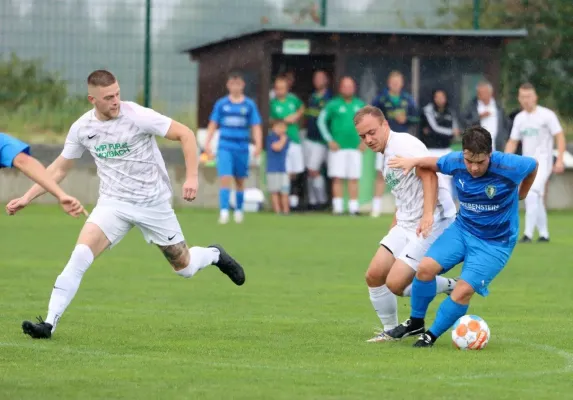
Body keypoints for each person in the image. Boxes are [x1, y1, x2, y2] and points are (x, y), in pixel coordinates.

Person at [7, 70, 246, 340]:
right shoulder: (82, 128)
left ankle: (214, 254)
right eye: (108, 97)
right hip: (113, 204)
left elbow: (186, 134)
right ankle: (48, 324)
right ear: (92, 100)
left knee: (185, 268)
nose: (116, 101)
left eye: (117, 94)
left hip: (153, 204)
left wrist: (192, 177)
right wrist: (27, 197)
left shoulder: (137, 116)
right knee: (79, 257)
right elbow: (60, 168)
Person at [386, 126, 538, 347]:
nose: (474, 168)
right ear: (463, 154)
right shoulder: (455, 161)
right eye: (469, 161)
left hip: (494, 243)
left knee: (463, 291)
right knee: (425, 268)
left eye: (480, 162)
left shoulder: (509, 165)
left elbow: (533, 165)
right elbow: (434, 163)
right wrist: (413, 162)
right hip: (463, 230)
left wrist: (522, 192)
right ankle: (416, 322)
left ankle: (430, 336)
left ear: (490, 155)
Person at [354, 106, 457, 342]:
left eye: (371, 132)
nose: (368, 140)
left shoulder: (403, 146)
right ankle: (391, 330)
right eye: (363, 136)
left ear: (385, 125)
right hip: (406, 222)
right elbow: (403, 194)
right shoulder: (386, 155)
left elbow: (429, 175)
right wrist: (395, 225)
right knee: (374, 275)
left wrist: (428, 215)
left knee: (396, 284)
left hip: (432, 222)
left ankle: (452, 285)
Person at [504, 83, 566, 243]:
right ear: (519, 98)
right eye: (522, 97)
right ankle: (544, 234)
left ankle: (528, 234)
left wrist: (559, 159)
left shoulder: (547, 115)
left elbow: (559, 136)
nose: (526, 100)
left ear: (535, 97)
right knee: (536, 197)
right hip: (527, 163)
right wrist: (503, 162)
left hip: (544, 162)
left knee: (531, 193)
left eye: (528, 96)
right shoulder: (519, 118)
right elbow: (512, 141)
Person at [204, 71, 263, 224]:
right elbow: (213, 124)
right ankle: (224, 211)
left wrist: (258, 144)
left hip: (242, 146)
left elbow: (256, 126)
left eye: (238, 84)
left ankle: (239, 210)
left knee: (240, 180)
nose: (235, 87)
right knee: (225, 177)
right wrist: (207, 143)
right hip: (225, 145)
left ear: (243, 85)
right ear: (228, 85)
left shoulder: (249, 105)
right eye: (232, 84)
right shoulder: (222, 104)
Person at [1, 132, 86, 217]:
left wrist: (61, 195)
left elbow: (24, 162)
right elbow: (23, 161)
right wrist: (61, 195)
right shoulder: (83, 126)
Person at [371, 71, 419, 217]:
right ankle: (376, 208)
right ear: (388, 83)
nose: (395, 84)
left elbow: (417, 118)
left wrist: (407, 119)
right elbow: (371, 117)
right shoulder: (381, 99)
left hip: (402, 142)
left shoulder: (408, 100)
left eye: (398, 82)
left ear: (402, 83)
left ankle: (403, 209)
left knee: (403, 175)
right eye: (393, 82)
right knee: (381, 174)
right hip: (384, 143)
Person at [318, 77, 366, 215]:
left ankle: (353, 208)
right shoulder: (332, 104)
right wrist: (329, 140)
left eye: (350, 86)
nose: (348, 89)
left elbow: (370, 124)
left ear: (354, 88)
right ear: (340, 88)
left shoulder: (360, 105)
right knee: (337, 178)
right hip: (337, 148)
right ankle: (338, 208)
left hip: (355, 147)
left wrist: (365, 141)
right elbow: (321, 122)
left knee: (354, 178)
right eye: (345, 86)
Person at [270, 76, 305, 209]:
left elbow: (301, 108)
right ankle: (287, 202)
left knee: (295, 171)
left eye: (282, 88)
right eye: (277, 88)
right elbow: (271, 121)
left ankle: (294, 198)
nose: (280, 91)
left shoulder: (293, 99)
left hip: (294, 139)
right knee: (286, 171)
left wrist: (296, 116)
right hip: (281, 141)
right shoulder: (273, 103)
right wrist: (283, 121)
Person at [303, 70, 331, 210]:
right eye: (316, 78)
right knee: (309, 171)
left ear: (326, 80)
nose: (318, 80)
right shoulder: (312, 97)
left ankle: (322, 200)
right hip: (308, 138)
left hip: (320, 140)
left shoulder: (329, 98)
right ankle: (312, 202)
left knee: (314, 170)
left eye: (321, 78)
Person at [462, 80, 509, 151]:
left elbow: (506, 124)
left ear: (490, 93)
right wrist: (479, 117)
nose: (480, 95)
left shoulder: (498, 106)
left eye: (484, 92)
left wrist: (503, 137)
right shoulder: (472, 106)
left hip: (497, 146)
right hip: (478, 146)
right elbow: (465, 123)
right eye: (479, 93)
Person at [266, 120, 290, 214]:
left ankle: (286, 210)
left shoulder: (287, 139)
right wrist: (282, 140)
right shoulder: (271, 137)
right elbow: (276, 147)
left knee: (285, 191)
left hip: (283, 168)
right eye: (278, 127)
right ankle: (277, 210)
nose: (281, 129)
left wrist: (284, 140)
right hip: (272, 169)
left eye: (283, 127)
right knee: (274, 191)